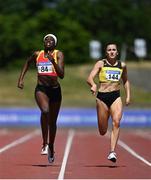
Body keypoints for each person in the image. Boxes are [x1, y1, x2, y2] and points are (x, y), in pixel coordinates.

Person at [17, 33, 64, 163]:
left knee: (53, 122)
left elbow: (61, 75)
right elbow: (27, 62)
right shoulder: (37, 54)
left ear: (55, 43)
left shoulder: (58, 54)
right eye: (46, 39)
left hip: (55, 90)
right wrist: (21, 79)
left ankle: (51, 145)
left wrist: (52, 61)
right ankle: (44, 143)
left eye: (51, 39)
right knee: (45, 111)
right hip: (41, 89)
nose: (48, 41)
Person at [87, 43, 130, 163]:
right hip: (102, 97)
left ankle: (112, 151)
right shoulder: (101, 63)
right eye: (109, 50)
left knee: (116, 122)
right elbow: (89, 78)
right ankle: (103, 126)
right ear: (106, 53)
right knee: (103, 130)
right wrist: (94, 85)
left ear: (117, 52)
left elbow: (125, 81)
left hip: (116, 97)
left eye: (114, 50)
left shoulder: (122, 65)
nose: (111, 51)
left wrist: (128, 97)